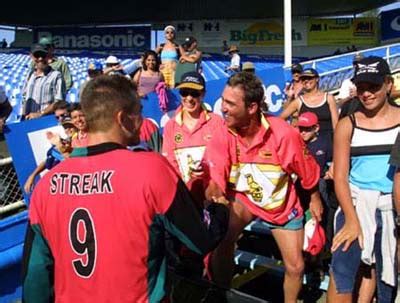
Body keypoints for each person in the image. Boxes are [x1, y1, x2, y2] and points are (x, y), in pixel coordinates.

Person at [22, 75, 228, 302]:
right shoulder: (151, 170)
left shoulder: (46, 186)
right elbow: (200, 240)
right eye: (138, 112)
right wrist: (221, 211)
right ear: (122, 118)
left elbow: (35, 283)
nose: (142, 121)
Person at [205, 72, 323, 302]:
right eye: (223, 101)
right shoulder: (223, 132)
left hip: (280, 204)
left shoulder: (284, 134)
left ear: (252, 107)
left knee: (296, 266)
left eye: (230, 103)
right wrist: (214, 195)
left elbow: (308, 173)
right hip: (243, 200)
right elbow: (216, 177)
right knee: (222, 239)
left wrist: (315, 198)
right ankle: (220, 293)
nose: (223, 108)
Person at [327, 56, 400, 303]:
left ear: (388, 84)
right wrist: (350, 219)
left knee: (387, 281)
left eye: (374, 86)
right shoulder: (348, 125)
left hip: (394, 209)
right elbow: (340, 176)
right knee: (341, 270)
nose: (367, 93)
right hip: (356, 205)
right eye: (361, 87)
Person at [162, 71, 224, 206]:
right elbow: (170, 164)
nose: (189, 98)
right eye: (184, 92)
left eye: (194, 93)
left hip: (212, 196)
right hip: (184, 197)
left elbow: (222, 161)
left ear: (203, 95)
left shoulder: (217, 122)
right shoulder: (170, 126)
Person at [280, 68, 338, 153]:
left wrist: (337, 144)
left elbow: (336, 124)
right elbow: (280, 118)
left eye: (310, 78)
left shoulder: (329, 98)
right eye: (303, 79)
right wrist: (291, 134)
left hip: (328, 144)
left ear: (317, 79)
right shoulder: (298, 101)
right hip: (307, 147)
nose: (306, 81)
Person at [22, 43, 65, 119]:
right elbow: (25, 97)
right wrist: (23, 115)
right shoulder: (30, 75)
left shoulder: (56, 75)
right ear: (31, 56)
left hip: (46, 120)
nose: (40, 58)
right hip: (28, 120)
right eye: (37, 55)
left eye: (43, 55)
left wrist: (40, 114)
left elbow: (59, 101)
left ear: (48, 56)